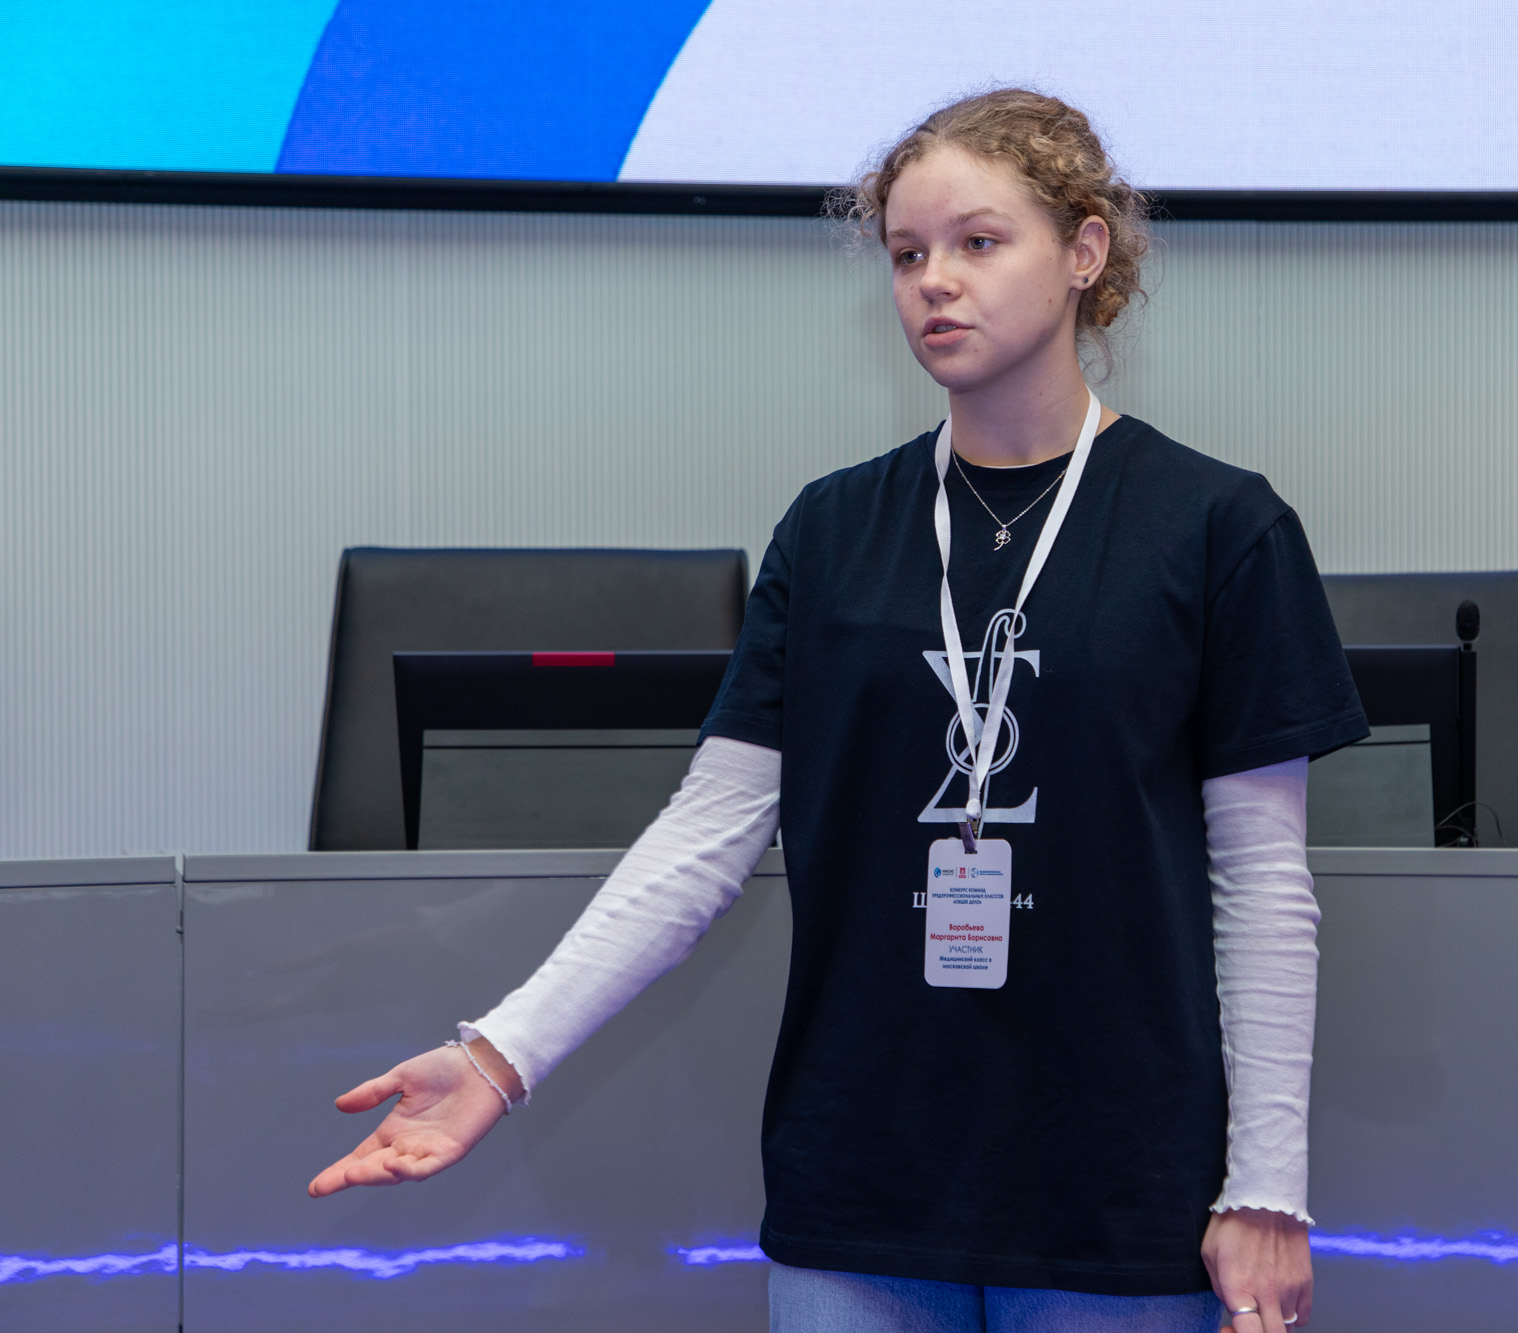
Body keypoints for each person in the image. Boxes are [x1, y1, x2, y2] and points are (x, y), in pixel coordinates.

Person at [308, 88, 1366, 1333]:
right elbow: (704, 838)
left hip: (1120, 1192)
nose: (934, 283)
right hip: (861, 1181)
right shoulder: (831, 528)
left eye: (978, 242)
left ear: (1084, 252)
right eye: (907, 254)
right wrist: (501, 1053)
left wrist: (1265, 1187)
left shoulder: (1218, 526)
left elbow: (1261, 883)